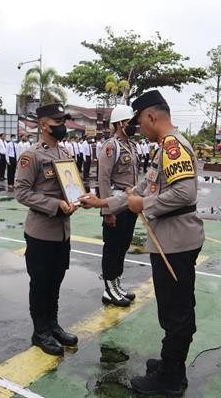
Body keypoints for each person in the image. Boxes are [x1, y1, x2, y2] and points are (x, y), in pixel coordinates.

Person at [80, 90, 203, 395]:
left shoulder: (173, 147)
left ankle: (171, 379)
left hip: (176, 241)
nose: (139, 128)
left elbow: (184, 194)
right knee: (170, 309)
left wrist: (143, 205)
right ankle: (170, 363)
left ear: (151, 116)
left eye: (140, 121)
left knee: (176, 312)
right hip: (169, 239)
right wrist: (101, 203)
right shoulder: (163, 148)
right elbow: (139, 188)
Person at [14, 103, 79, 357]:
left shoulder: (64, 152)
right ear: (43, 125)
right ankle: (40, 331)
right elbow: (21, 191)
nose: (62, 125)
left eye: (63, 120)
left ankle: (53, 325)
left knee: (55, 281)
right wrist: (55, 205)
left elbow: (71, 186)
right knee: (40, 283)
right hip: (41, 232)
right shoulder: (32, 156)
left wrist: (76, 199)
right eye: (57, 121)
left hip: (62, 231)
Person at [96, 104, 140, 307]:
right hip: (115, 204)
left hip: (129, 204)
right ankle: (109, 288)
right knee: (112, 248)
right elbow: (103, 178)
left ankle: (116, 283)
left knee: (122, 246)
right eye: (130, 122)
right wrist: (107, 210)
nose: (134, 126)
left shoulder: (131, 145)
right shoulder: (110, 146)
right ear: (120, 124)